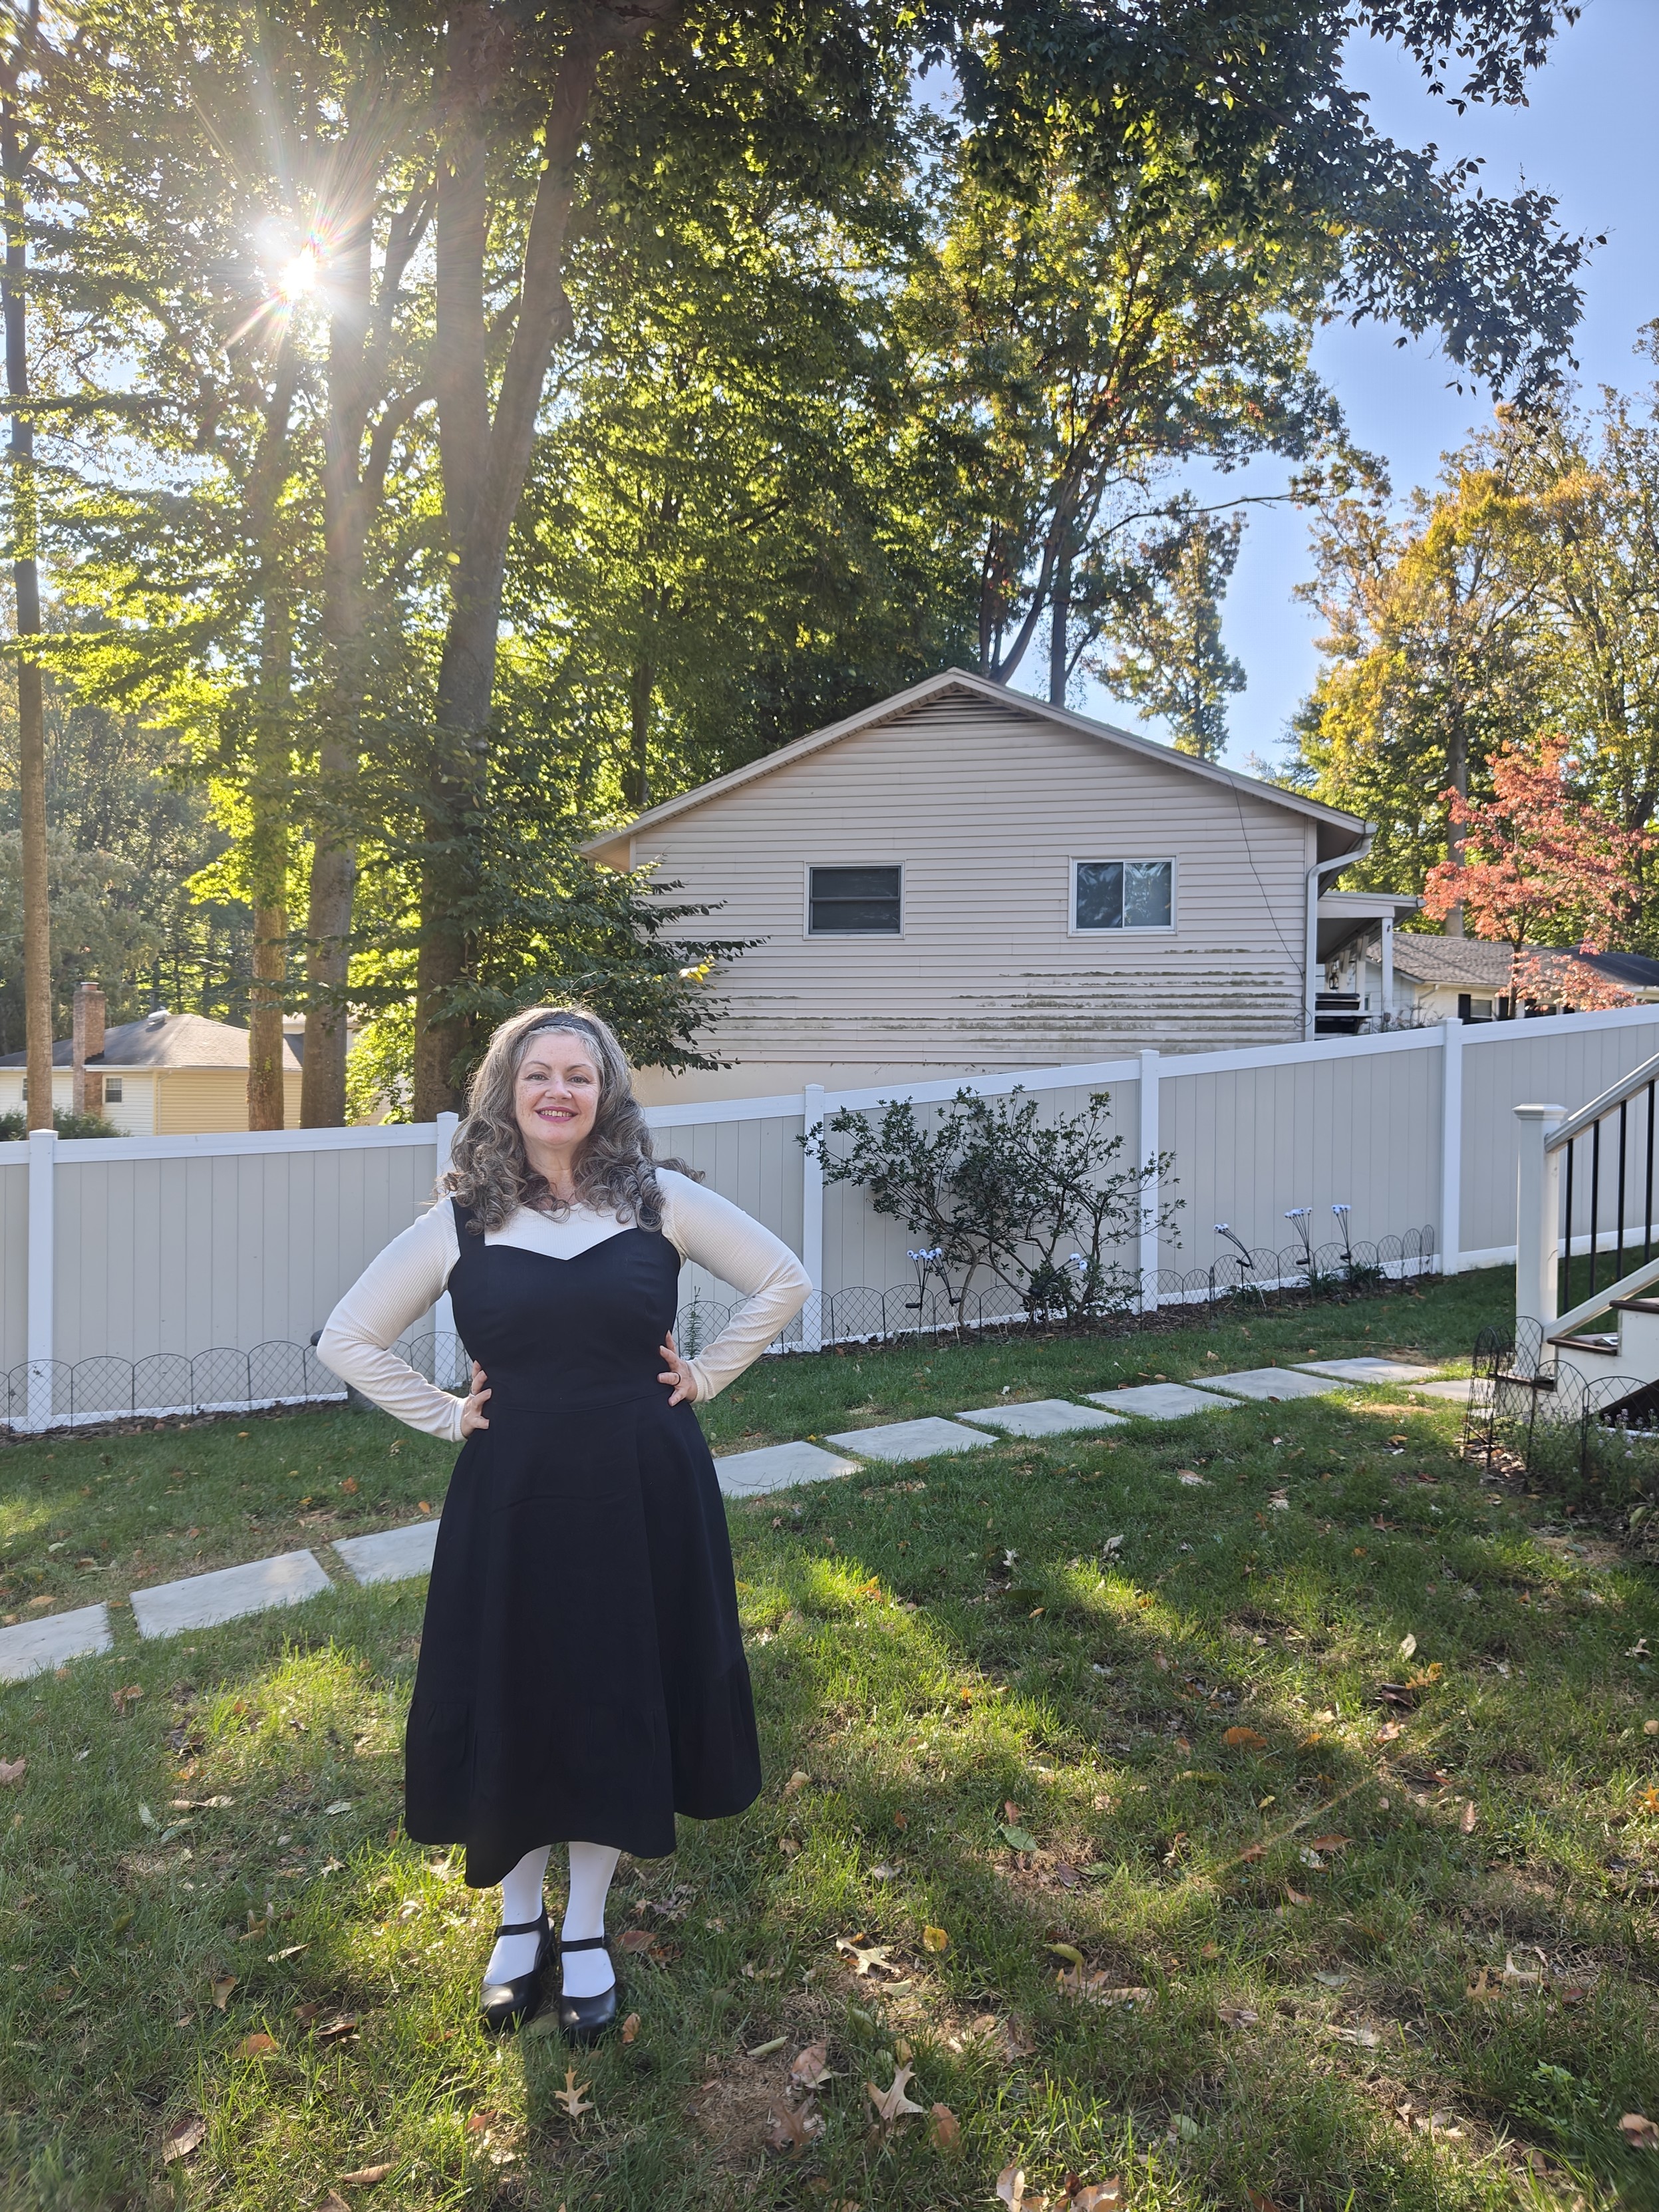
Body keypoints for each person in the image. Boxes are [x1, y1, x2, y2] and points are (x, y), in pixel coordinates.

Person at [317, 1005, 810, 2038]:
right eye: (537, 1072)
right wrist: (449, 1413)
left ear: (605, 1092)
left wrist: (707, 1373)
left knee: (614, 1687)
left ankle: (582, 1924)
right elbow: (349, 1338)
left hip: (643, 1486)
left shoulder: (657, 1201)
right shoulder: (458, 1221)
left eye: (577, 1075)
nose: (557, 1090)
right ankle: (514, 1920)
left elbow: (782, 1278)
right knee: (518, 1686)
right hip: (514, 1494)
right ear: (506, 1090)